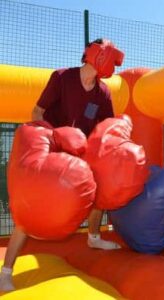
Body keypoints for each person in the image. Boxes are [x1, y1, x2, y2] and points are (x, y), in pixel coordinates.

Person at [0, 38, 124, 292]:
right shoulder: (62, 78)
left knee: (99, 187)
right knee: (30, 210)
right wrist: (56, 139)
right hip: (52, 150)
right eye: (111, 55)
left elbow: (106, 126)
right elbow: (37, 113)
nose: (115, 63)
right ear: (97, 54)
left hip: (80, 152)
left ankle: (94, 237)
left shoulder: (103, 92)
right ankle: (5, 272)